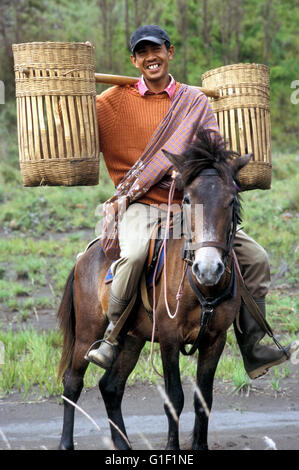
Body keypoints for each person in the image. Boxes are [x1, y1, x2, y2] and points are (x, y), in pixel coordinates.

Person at [86, 25, 296, 378]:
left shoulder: (194, 102)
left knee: (256, 258)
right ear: (134, 60)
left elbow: (213, 152)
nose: (150, 57)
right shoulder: (111, 103)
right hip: (142, 204)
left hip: (192, 206)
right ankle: (113, 336)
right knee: (135, 253)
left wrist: (196, 174)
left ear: (170, 52)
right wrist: (71, 89)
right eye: (142, 53)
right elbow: (70, 124)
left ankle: (253, 346)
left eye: (157, 50)